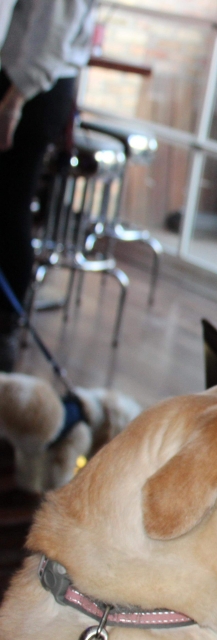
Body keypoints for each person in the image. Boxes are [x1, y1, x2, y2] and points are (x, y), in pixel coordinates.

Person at [0, 0, 97, 371]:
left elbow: (52, 37)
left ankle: (5, 325)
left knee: (11, 209)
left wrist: (14, 100)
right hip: (23, 83)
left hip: (32, 91)